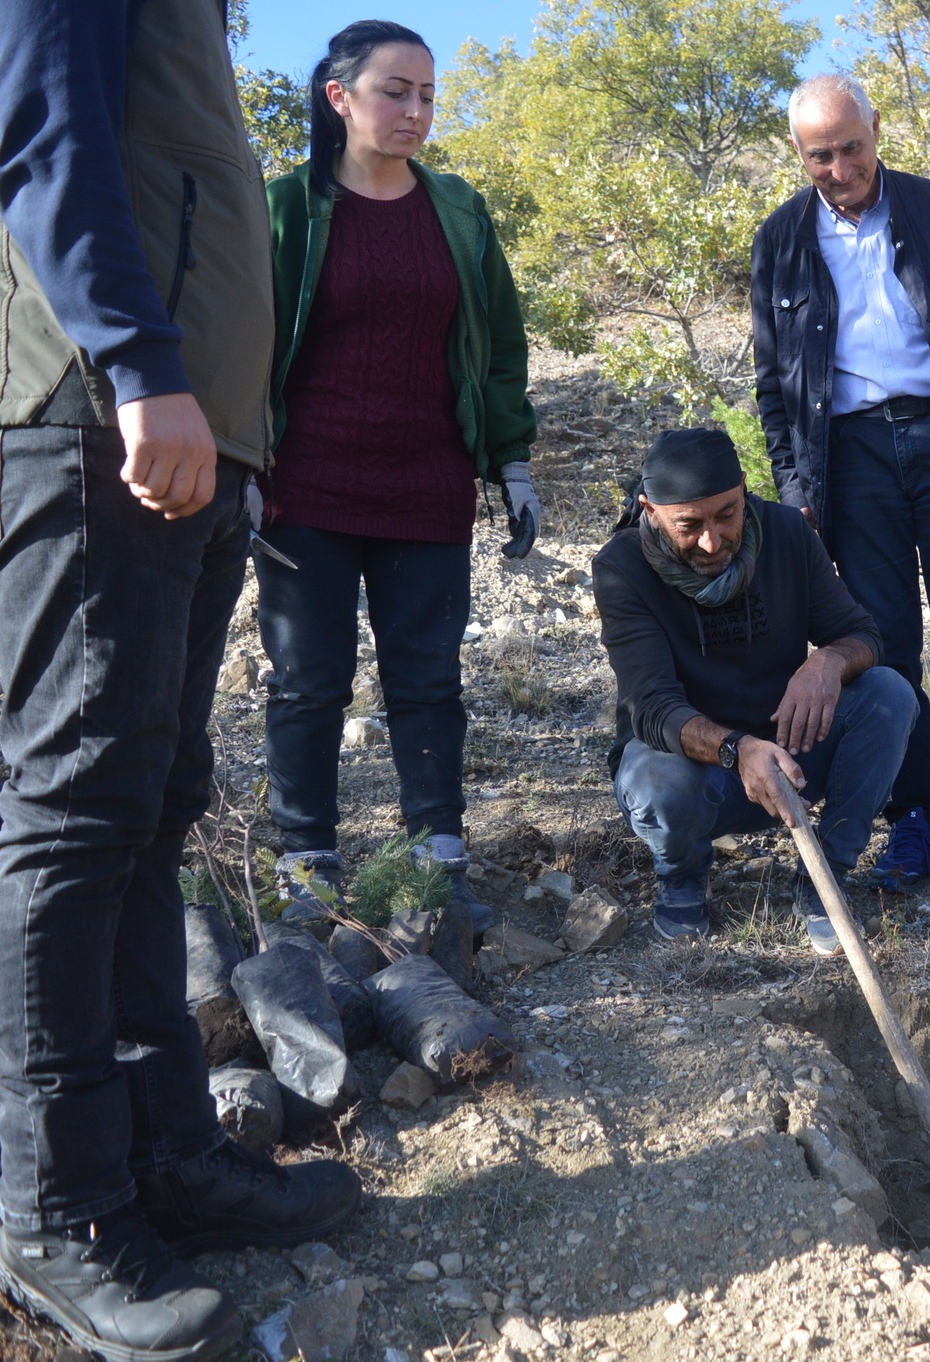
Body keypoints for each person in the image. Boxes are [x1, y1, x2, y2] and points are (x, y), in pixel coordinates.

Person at [0, 1, 360, 1356]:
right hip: (80, 407)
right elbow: (49, 137)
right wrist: (139, 359)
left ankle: (162, 1149)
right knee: (73, 813)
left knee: (152, 799)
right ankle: (57, 1211)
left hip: (178, 432)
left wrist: (233, 429)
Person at [258, 22, 542, 932]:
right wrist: (237, 462)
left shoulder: (458, 209)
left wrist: (513, 462)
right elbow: (242, 349)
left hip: (428, 482)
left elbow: (498, 346)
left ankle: (436, 854)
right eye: (395, 91)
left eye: (427, 94)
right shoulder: (285, 209)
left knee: (427, 677)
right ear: (339, 97)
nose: (416, 110)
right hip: (305, 486)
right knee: (309, 678)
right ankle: (306, 860)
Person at [750, 73, 930, 905]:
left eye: (850, 147)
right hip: (850, 458)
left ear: (876, 130)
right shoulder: (780, 240)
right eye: (819, 156)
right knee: (887, 650)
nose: (838, 167)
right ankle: (916, 820)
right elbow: (774, 380)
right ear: (797, 155)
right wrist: (795, 483)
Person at [595, 429, 917, 953]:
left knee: (888, 694)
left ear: (745, 490)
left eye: (726, 514)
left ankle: (824, 875)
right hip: (699, 777)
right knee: (657, 770)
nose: (712, 541)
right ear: (649, 510)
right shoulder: (621, 568)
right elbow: (651, 708)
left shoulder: (788, 533)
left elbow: (865, 636)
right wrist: (737, 749)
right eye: (689, 525)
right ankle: (682, 875)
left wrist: (829, 661)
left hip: (790, 760)